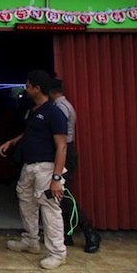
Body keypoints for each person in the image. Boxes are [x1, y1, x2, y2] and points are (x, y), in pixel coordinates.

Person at [0, 70, 68, 270]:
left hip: (46, 169)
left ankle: (57, 253)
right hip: (29, 166)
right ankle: (30, 241)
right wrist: (12, 141)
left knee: (49, 207)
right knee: (26, 201)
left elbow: (62, 146)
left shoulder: (54, 113)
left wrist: (56, 177)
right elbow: (31, 132)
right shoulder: (34, 110)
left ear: (37, 88)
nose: (26, 89)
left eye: (28, 86)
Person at [49, 79, 101, 253]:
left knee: (64, 196)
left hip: (65, 153)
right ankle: (66, 234)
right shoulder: (64, 105)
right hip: (65, 152)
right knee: (59, 197)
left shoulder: (60, 108)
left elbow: (61, 139)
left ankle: (90, 232)